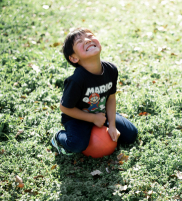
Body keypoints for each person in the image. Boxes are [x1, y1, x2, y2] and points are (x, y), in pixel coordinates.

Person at [51, 27, 138, 155]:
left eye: (90, 36)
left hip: (100, 113)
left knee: (131, 135)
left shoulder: (111, 70)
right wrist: (92, 118)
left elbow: (111, 98)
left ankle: (105, 123)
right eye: (79, 41)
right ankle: (58, 136)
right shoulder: (77, 80)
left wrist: (112, 125)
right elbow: (65, 108)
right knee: (76, 145)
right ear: (74, 58)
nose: (87, 40)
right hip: (77, 118)